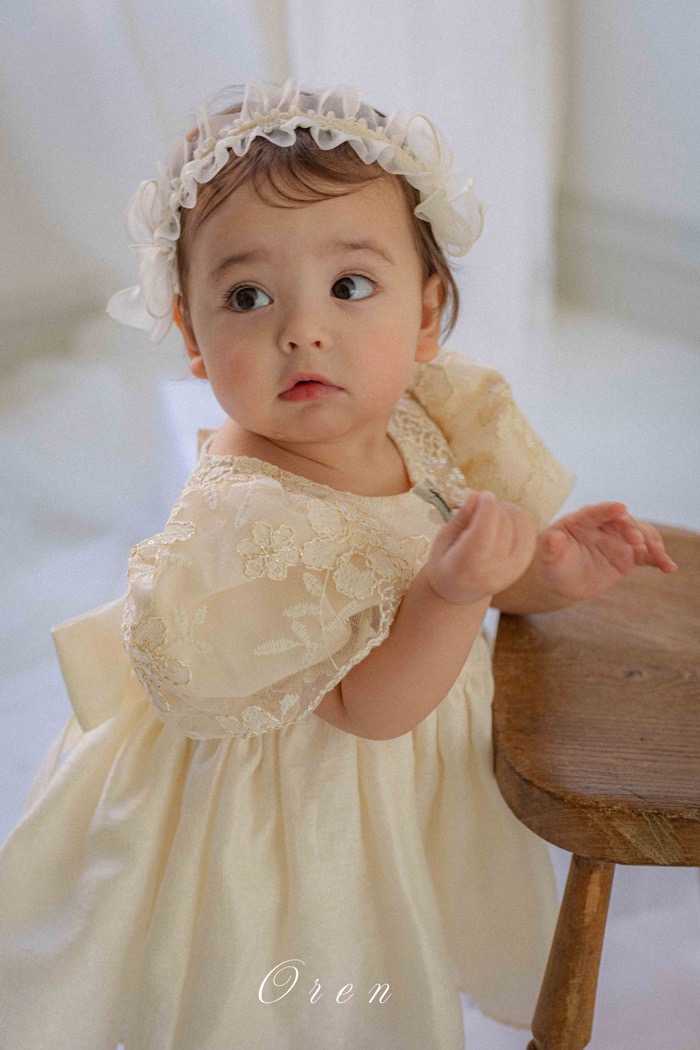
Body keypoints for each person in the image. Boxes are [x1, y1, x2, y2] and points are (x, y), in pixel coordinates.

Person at [0, 75, 677, 1050]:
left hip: (400, 779)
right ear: (192, 336)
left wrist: (549, 569)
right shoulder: (244, 519)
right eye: (247, 297)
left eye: (350, 286)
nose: (302, 329)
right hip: (304, 806)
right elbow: (372, 707)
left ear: (427, 314)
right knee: (316, 993)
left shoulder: (417, 413)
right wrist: (452, 590)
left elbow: (464, 535)